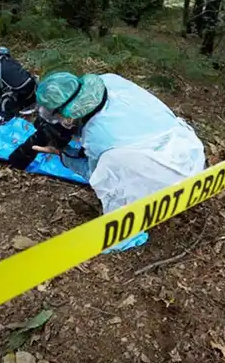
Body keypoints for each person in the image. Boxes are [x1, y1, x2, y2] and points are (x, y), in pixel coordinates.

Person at [32, 71, 206, 252]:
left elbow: (93, 174)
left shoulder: (97, 137)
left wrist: (63, 154)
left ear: (69, 116)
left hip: (174, 175)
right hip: (189, 148)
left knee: (111, 166)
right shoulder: (110, 80)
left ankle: (123, 233)